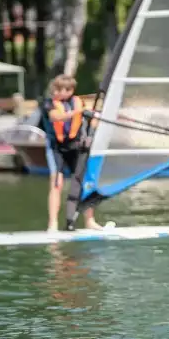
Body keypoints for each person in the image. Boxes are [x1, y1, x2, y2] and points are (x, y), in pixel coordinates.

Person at [41, 74, 105, 232]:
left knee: (85, 183)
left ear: (71, 90)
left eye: (64, 89)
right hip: (57, 148)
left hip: (76, 147)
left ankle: (90, 221)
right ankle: (53, 224)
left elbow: (92, 122)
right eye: (57, 89)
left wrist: (96, 119)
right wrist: (80, 111)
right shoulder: (48, 103)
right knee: (57, 183)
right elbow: (57, 117)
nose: (59, 92)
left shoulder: (78, 102)